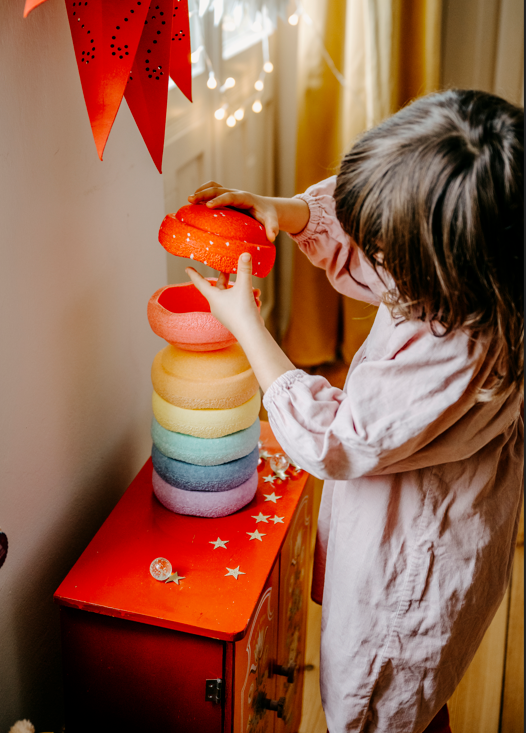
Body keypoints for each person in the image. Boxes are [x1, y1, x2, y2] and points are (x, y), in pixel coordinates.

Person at [185, 89, 524, 733]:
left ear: (442, 271)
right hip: (425, 520)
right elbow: (367, 223)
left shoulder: (455, 352)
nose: (367, 252)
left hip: (409, 574)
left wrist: (248, 327)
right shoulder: (486, 273)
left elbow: (335, 439)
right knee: (416, 707)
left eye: (384, 250)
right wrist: (284, 211)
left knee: (376, 706)